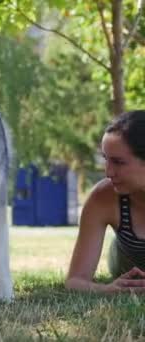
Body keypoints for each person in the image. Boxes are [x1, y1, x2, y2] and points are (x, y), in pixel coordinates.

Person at [66, 109, 145, 292]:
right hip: (122, 264)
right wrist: (109, 289)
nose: (108, 172)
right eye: (106, 160)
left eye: (118, 162)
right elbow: (75, 280)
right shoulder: (102, 197)